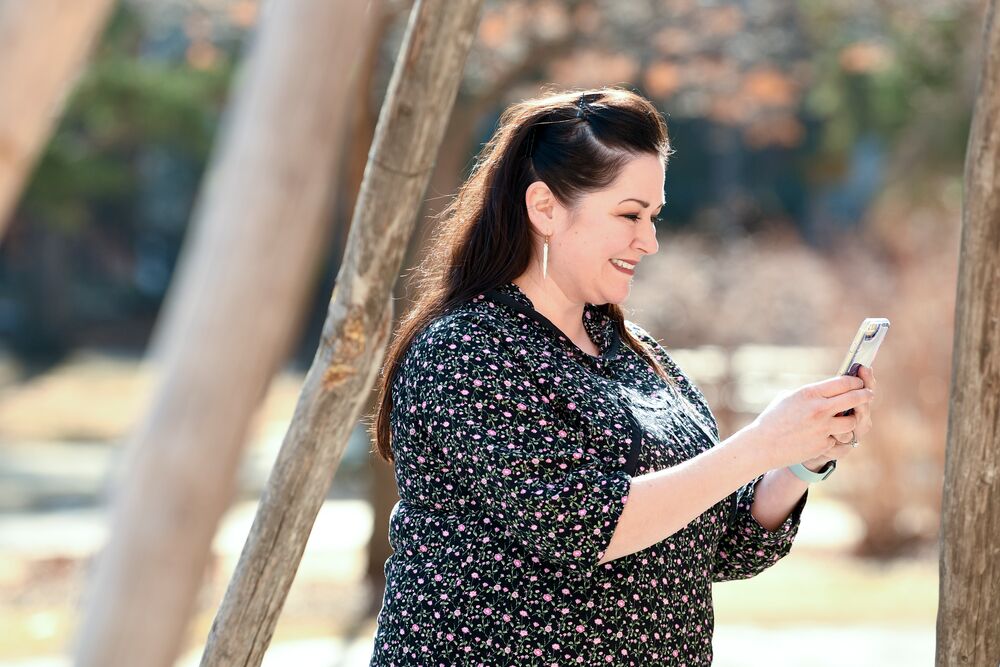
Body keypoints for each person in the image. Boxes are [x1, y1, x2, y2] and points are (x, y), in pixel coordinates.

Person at [365, 86, 878, 665]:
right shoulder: (465, 351)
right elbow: (585, 524)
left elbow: (723, 542)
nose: (650, 239)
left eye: (653, 216)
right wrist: (761, 442)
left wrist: (797, 456)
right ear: (545, 209)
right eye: (630, 214)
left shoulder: (635, 354)